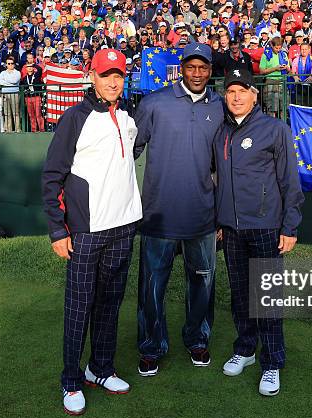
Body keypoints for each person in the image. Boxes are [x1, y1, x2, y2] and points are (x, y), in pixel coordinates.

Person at [42, 48, 141, 416]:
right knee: (79, 308)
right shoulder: (74, 118)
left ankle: (100, 369)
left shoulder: (129, 117)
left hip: (123, 227)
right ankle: (71, 381)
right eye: (106, 75)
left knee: (109, 306)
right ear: (92, 77)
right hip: (85, 233)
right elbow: (52, 175)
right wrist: (57, 230)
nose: (113, 81)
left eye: (118, 74)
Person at [133, 42, 224, 377]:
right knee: (152, 288)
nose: (197, 73)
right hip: (158, 215)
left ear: (210, 70)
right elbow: (130, 151)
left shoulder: (219, 106)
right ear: (182, 67)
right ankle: (151, 347)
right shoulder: (154, 103)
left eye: (203, 67)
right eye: (191, 66)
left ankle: (198, 339)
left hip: (203, 216)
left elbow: (223, 165)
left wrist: (222, 217)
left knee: (202, 284)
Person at [213, 67, 304, 397]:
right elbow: (216, 181)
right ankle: (246, 349)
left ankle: (272, 362)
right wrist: (219, 221)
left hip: (266, 227)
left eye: (243, 90)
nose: (236, 96)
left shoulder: (275, 129)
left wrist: (289, 226)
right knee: (240, 295)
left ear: (255, 95)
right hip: (232, 230)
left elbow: (290, 181)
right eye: (230, 91)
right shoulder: (221, 132)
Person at [259, 36, 290, 117]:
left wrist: (286, 68)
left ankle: (283, 127)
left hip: (282, 82)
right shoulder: (266, 55)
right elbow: (261, 71)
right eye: (276, 48)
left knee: (283, 107)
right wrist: (275, 69)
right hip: (270, 82)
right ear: (272, 46)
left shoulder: (283, 55)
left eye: (280, 48)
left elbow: (289, 69)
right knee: (272, 108)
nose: (278, 50)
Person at [0, 56, 22, 133]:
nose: (10, 65)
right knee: (7, 113)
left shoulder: (17, 72)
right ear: (6, 64)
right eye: (9, 63)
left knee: (16, 113)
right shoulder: (2, 73)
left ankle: (17, 129)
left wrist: (6, 81)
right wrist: (9, 82)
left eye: (12, 63)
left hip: (14, 93)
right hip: (5, 94)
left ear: (14, 64)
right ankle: (8, 130)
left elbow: (14, 81)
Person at [21, 63, 45, 132]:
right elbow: (23, 87)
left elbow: (40, 69)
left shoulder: (36, 75)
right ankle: (33, 129)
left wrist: (33, 64)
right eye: (28, 67)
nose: (30, 68)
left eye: (31, 67)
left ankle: (41, 129)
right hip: (28, 98)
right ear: (26, 69)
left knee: (38, 114)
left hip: (36, 96)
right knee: (31, 115)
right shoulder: (25, 78)